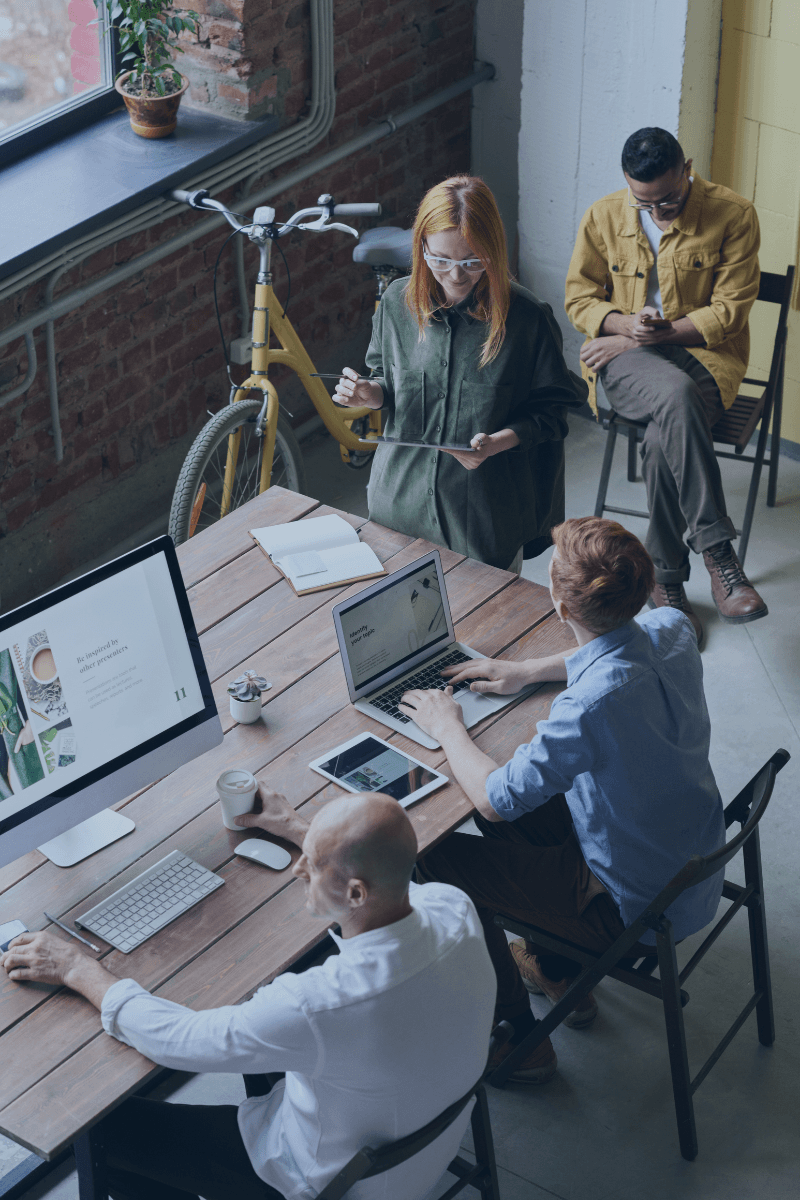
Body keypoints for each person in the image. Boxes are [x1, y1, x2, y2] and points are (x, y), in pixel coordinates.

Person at [1, 792, 496, 1200]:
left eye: (315, 864)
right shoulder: (454, 907)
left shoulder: (318, 1005)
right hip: (419, 1152)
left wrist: (76, 967)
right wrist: (304, 830)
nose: (301, 868)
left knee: (106, 1129)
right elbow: (386, 873)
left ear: (356, 895)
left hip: (332, 1184)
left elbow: (182, 1040)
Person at [400, 517, 725, 1084]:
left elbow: (497, 800)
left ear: (561, 608)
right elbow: (627, 647)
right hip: (691, 869)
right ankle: (558, 971)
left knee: (434, 855)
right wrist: (526, 671)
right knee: (531, 796)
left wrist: (446, 724)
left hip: (635, 911)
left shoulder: (589, 708)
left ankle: (518, 1042)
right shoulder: (674, 626)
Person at [565, 127, 768, 644]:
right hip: (628, 367)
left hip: (707, 359)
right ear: (628, 186)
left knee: (663, 439)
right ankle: (719, 552)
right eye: (645, 203)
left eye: (670, 198)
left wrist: (641, 338)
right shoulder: (603, 215)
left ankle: (667, 582)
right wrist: (623, 328)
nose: (660, 210)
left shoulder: (734, 214)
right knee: (673, 398)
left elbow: (729, 311)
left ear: (688, 167)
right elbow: (580, 298)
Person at [335, 175, 586, 571]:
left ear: (494, 251)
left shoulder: (527, 319)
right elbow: (385, 376)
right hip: (397, 505)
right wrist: (371, 393)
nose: (455, 275)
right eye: (440, 260)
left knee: (483, 628)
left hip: (482, 517)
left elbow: (553, 412)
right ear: (421, 248)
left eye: (472, 261)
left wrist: (498, 443)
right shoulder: (397, 304)